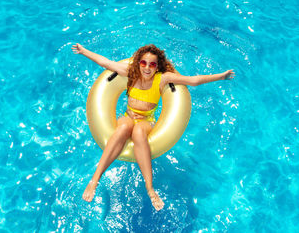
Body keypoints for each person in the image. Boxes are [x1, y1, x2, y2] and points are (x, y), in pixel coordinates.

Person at [72, 43, 235, 211]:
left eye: (152, 64)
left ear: (157, 66)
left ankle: (150, 188)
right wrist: (84, 51)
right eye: (143, 63)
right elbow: (105, 62)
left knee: (139, 132)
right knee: (123, 129)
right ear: (138, 63)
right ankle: (95, 179)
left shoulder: (162, 78)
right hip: (128, 116)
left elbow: (193, 81)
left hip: (146, 120)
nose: (147, 68)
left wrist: (221, 76)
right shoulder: (131, 73)